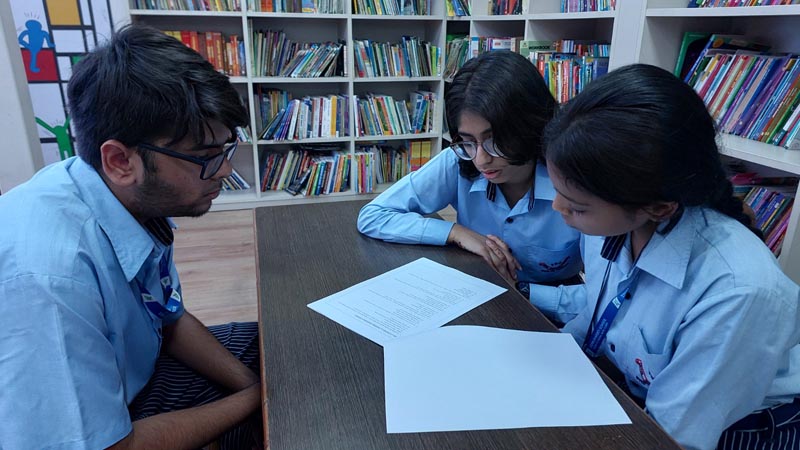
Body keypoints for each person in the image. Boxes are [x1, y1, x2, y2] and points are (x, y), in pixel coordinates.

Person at [0, 25, 262, 449]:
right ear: (120, 160)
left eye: (225, 149)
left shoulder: (125, 196)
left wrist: (252, 384)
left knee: (278, 348)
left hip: (136, 372)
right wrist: (257, 400)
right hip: (96, 428)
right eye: (205, 157)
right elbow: (110, 446)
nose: (226, 171)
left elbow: (167, 315)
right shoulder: (51, 280)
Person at [536, 63, 800, 450]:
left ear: (658, 207)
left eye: (577, 206)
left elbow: (675, 435)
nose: (557, 208)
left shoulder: (738, 291)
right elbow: (605, 310)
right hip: (644, 398)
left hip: (735, 430)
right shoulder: (614, 223)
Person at [357, 50, 582, 294]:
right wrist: (455, 232)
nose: (481, 160)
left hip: (553, 307)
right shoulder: (458, 160)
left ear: (530, 126)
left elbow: (600, 299)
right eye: (468, 141)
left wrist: (525, 292)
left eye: (495, 141)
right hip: (478, 291)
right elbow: (373, 216)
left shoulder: (575, 179)